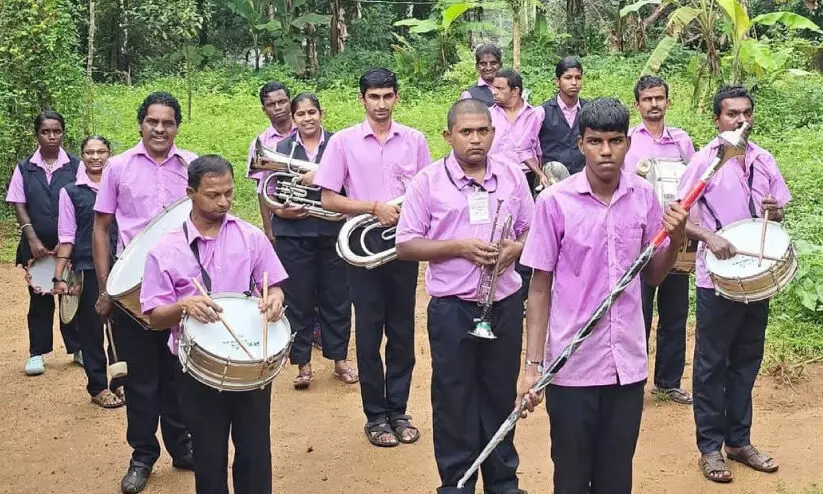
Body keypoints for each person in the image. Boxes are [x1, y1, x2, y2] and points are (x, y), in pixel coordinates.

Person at [518, 98, 689, 494]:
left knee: (616, 477)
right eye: (595, 141)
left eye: (615, 141)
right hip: (571, 365)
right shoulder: (554, 202)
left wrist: (676, 236)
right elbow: (539, 286)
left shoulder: (644, 196)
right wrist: (532, 366)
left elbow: (653, 276)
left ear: (628, 143)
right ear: (580, 145)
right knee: (572, 477)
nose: (606, 151)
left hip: (626, 366)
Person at [396, 99, 533, 494]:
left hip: (504, 304)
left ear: (493, 132)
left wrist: (515, 250)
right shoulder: (427, 181)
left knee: (500, 393)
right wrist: (458, 247)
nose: (476, 139)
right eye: (466, 132)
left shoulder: (511, 175)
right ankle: (456, 483)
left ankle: (503, 481)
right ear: (448, 135)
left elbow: (531, 229)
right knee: (454, 397)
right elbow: (406, 245)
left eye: (483, 131)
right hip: (453, 309)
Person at [141, 155, 287, 494]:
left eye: (229, 193)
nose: (223, 202)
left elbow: (274, 284)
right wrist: (183, 305)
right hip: (197, 369)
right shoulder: (166, 249)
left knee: (254, 451)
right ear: (191, 192)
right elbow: (154, 316)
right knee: (208, 454)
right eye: (213, 195)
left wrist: (276, 298)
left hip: (251, 362)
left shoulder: (251, 237)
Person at [314, 67, 431, 447]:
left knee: (402, 333)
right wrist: (373, 207)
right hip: (362, 252)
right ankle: (375, 416)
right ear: (361, 99)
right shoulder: (344, 142)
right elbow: (328, 198)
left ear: (397, 97)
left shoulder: (415, 140)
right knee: (367, 334)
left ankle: (398, 410)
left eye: (387, 96)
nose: (381, 104)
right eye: (373, 97)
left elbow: (427, 192)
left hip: (403, 248)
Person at [679, 85, 791, 483]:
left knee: (746, 362)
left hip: (756, 278)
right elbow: (677, 215)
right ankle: (710, 448)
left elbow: (778, 210)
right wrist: (708, 237)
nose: (741, 120)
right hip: (717, 281)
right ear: (717, 119)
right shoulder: (703, 162)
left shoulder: (764, 160)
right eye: (732, 114)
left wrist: (775, 212)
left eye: (746, 113)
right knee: (711, 365)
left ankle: (739, 441)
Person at [93, 92, 195, 494]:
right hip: (133, 294)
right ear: (140, 124)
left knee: (179, 372)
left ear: (176, 126)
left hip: (182, 289)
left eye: (167, 122)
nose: (159, 129)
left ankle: (181, 446)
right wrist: (106, 290)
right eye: (152, 121)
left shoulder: (191, 166)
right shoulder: (117, 167)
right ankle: (142, 455)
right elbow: (101, 228)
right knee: (141, 379)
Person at [263, 92, 358, 389]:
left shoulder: (338, 144)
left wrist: (321, 174)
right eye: (301, 114)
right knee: (298, 300)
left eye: (312, 112)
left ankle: (339, 359)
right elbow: (272, 191)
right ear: (294, 118)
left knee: (337, 298)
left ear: (322, 113)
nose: (307, 118)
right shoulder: (282, 147)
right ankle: (302, 364)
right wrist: (282, 210)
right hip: (295, 234)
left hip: (332, 233)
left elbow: (351, 182)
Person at [623, 75, 696, 405]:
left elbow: (694, 188)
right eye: (647, 99)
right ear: (637, 104)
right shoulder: (626, 141)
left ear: (668, 101)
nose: (654, 104)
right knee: (637, 312)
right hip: (639, 238)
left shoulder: (682, 142)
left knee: (675, 311)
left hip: (675, 239)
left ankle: (668, 382)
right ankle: (632, 380)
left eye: (659, 98)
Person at [6, 110, 82, 376]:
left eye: (57, 131)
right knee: (39, 299)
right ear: (37, 134)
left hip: (69, 244)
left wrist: (69, 241)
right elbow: (19, 204)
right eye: (45, 131)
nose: (52, 136)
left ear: (63, 132)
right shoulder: (25, 167)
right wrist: (33, 239)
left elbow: (83, 201)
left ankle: (77, 348)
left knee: (71, 297)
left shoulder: (75, 165)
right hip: (35, 246)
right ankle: (37, 353)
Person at [53, 135, 124, 408]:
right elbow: (67, 235)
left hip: (121, 267)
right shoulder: (70, 192)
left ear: (109, 154)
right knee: (93, 329)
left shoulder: (119, 186)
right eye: (89, 152)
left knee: (121, 328)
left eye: (101, 151)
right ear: (81, 156)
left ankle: (120, 381)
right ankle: (97, 386)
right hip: (86, 268)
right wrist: (59, 275)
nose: (96, 157)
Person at [246, 81, 295, 246]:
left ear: (290, 101)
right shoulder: (260, 143)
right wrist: (268, 228)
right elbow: (262, 189)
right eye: (271, 104)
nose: (278, 107)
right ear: (264, 110)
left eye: (282, 102)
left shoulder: (307, 130)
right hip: (282, 215)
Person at [489, 68, 547, 191]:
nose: (494, 92)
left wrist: (540, 173)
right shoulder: (488, 115)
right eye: (494, 88)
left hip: (526, 177)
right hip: (495, 177)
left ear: (515, 91)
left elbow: (537, 147)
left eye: (500, 89)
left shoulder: (535, 114)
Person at [537, 56, 587, 175]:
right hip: (553, 181)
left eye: (578, 78)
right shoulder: (543, 112)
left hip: (584, 177)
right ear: (557, 81)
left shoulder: (589, 110)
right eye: (568, 78)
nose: (574, 83)